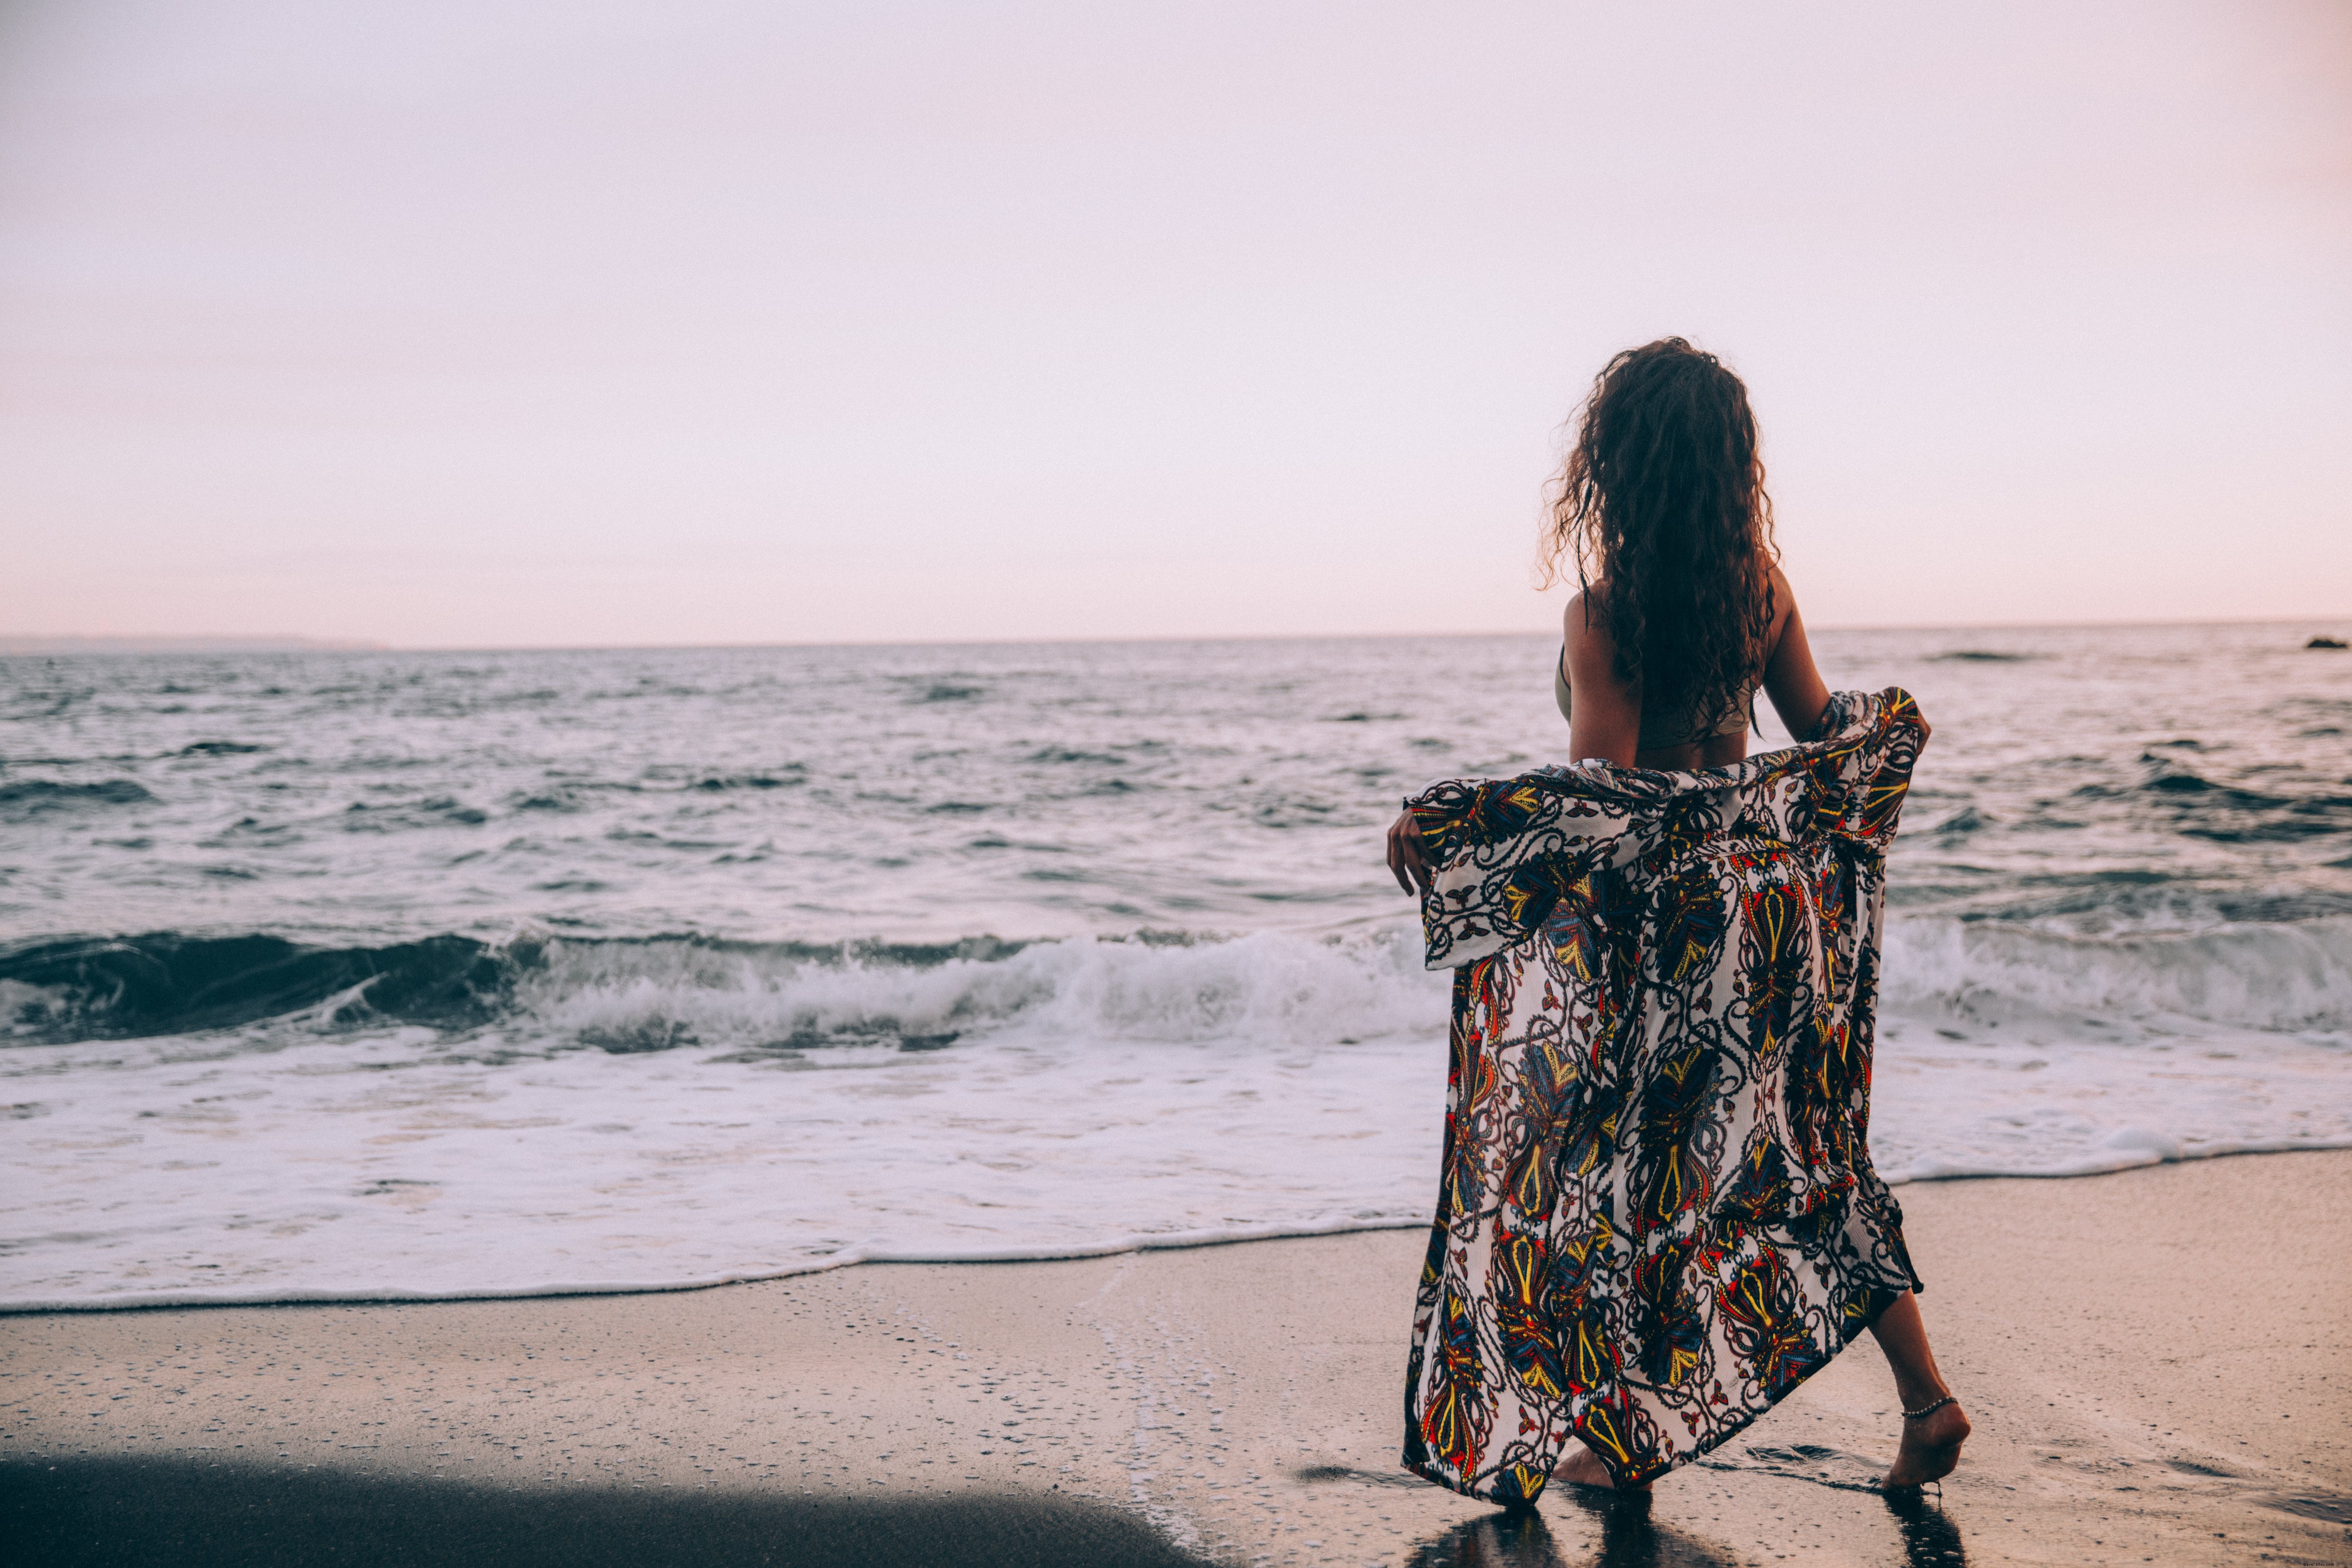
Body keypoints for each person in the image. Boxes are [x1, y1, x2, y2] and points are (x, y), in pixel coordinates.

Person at [1385, 339, 1967, 1498]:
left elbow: (1605, 798)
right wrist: (1881, 726)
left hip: (1662, 933)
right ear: (1727, 467)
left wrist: (1449, 828)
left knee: (1593, 1173)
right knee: (1802, 1157)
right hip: (1768, 914)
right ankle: (1925, 1398)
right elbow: (1816, 727)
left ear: (1617, 465)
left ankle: (1613, 1437)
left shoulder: (1606, 613)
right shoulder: (1762, 586)